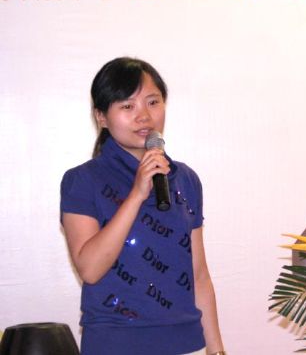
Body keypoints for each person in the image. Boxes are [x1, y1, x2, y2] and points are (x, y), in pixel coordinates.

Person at [60, 57, 225, 355]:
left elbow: (199, 275)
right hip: (116, 343)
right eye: (128, 106)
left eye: (153, 102)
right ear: (101, 116)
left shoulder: (185, 179)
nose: (144, 116)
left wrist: (217, 350)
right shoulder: (82, 180)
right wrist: (136, 194)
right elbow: (90, 269)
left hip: (187, 342)